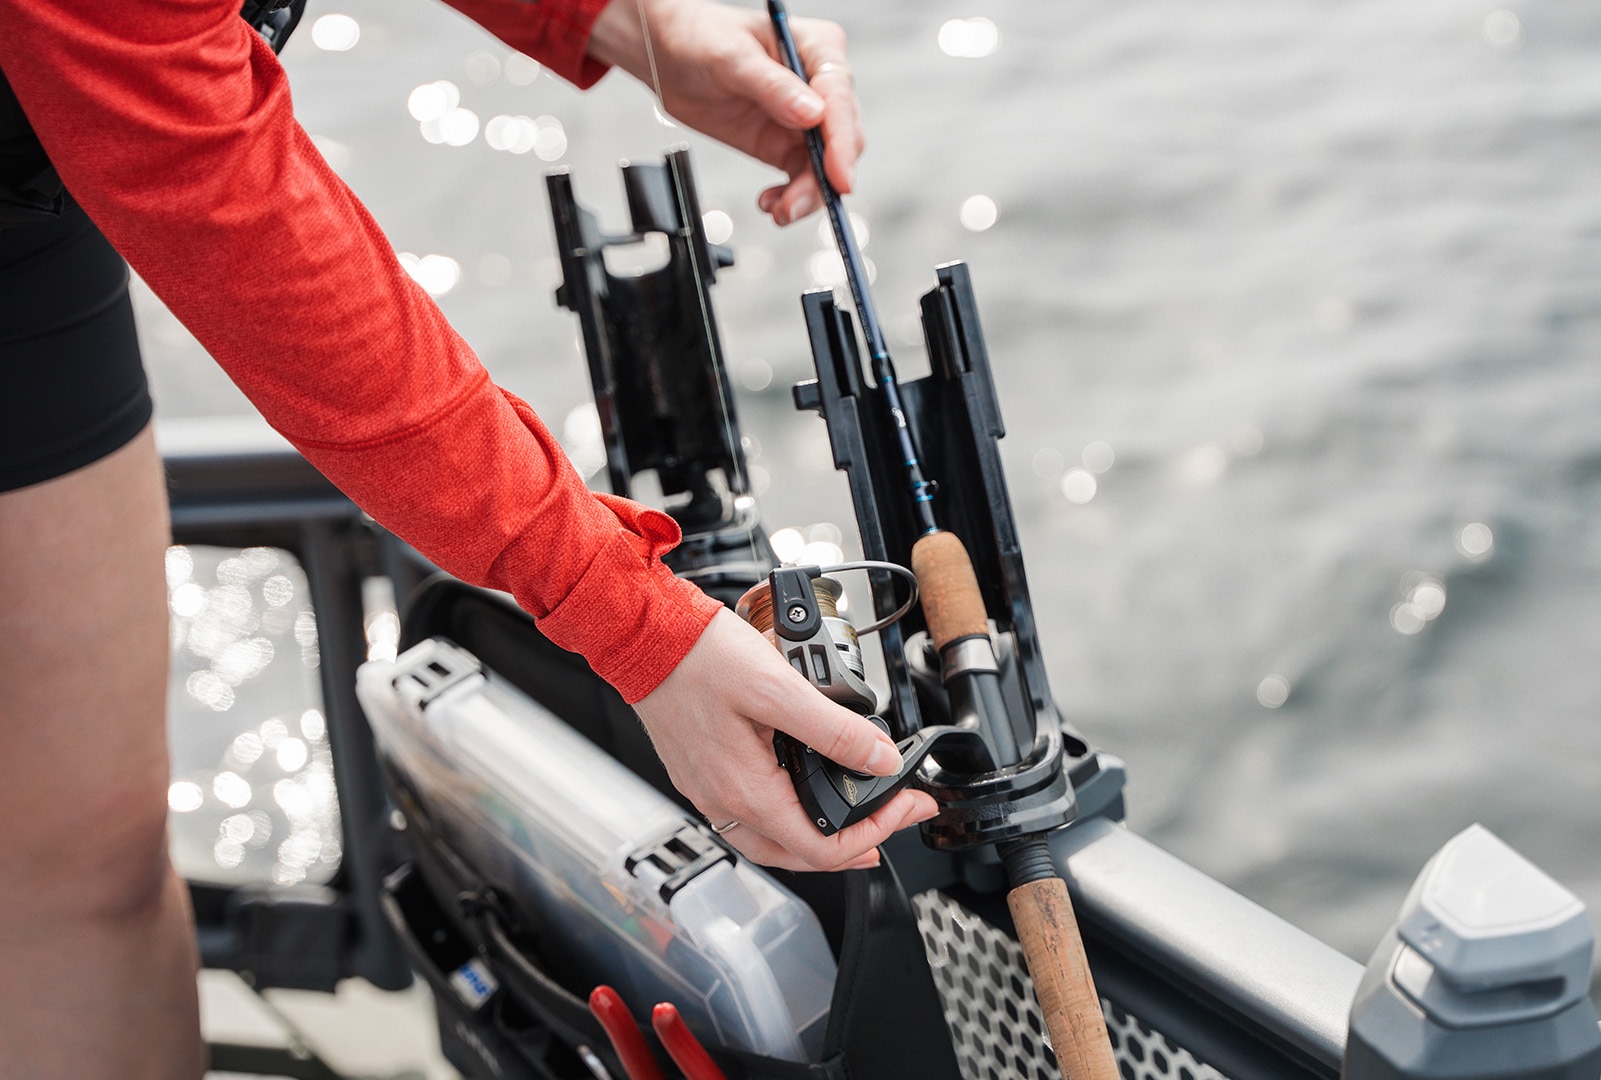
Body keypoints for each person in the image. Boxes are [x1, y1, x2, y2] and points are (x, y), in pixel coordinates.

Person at [0, 0, 938, 1074]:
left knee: (94, 872)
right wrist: (630, 618)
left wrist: (618, 20)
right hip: (88, 80)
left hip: (33, 189)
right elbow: (216, 184)